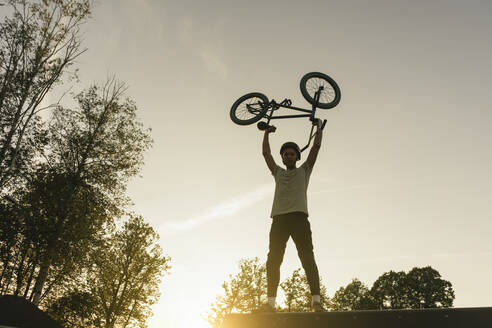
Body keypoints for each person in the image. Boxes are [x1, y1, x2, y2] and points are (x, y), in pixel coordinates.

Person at [260, 119, 324, 313]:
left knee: (307, 257)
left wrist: (319, 127)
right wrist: (266, 133)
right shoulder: (277, 172)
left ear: (297, 157)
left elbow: (316, 147)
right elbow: (266, 154)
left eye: (292, 154)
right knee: (273, 259)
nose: (288, 156)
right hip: (279, 220)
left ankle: (316, 301)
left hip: (299, 219)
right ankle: (270, 304)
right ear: (283, 157)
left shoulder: (304, 170)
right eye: (285, 154)